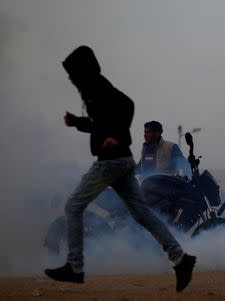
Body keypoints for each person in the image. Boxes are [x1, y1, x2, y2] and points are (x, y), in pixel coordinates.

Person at [44, 46, 196, 291]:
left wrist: (117, 138)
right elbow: (99, 124)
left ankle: (74, 266)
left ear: (83, 70)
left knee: (73, 205)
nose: (70, 77)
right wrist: (77, 123)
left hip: (113, 162)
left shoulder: (95, 86)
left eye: (72, 72)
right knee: (143, 214)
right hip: (124, 163)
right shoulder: (91, 90)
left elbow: (127, 104)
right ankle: (181, 259)